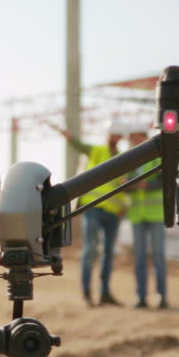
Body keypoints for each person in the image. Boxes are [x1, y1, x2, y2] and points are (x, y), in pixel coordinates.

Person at [50, 121, 129, 307]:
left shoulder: (124, 158)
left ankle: (104, 294)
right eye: (114, 135)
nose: (115, 138)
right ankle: (87, 293)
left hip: (113, 212)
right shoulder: (97, 151)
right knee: (90, 250)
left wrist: (124, 205)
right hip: (93, 207)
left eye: (118, 135)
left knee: (108, 252)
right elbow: (77, 144)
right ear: (110, 136)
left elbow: (122, 187)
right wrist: (66, 134)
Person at [126, 126, 168, 309]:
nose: (134, 141)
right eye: (131, 138)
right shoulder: (128, 160)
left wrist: (146, 185)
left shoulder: (157, 157)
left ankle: (162, 296)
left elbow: (165, 179)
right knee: (140, 258)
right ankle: (141, 297)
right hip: (137, 216)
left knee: (158, 256)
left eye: (137, 137)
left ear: (144, 137)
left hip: (156, 214)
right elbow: (123, 183)